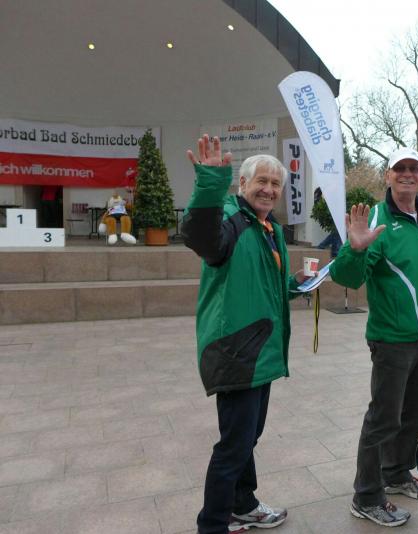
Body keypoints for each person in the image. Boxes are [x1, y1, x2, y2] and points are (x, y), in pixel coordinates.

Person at [329, 147, 418, 527]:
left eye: (414, 168)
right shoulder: (377, 219)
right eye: (399, 168)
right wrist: (354, 249)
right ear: (387, 175)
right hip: (392, 339)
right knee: (383, 419)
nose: (407, 174)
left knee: (415, 415)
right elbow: (348, 277)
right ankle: (366, 496)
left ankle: (396, 472)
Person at [182, 135, 303, 534]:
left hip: (261, 350)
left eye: (275, 184)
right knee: (234, 446)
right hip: (236, 350)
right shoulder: (232, 219)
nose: (269, 189)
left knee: (247, 437)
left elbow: (264, 284)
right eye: (261, 181)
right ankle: (213, 524)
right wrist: (209, 184)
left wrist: (295, 284)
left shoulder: (268, 228)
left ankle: (243, 504)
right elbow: (201, 238)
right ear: (243, 184)